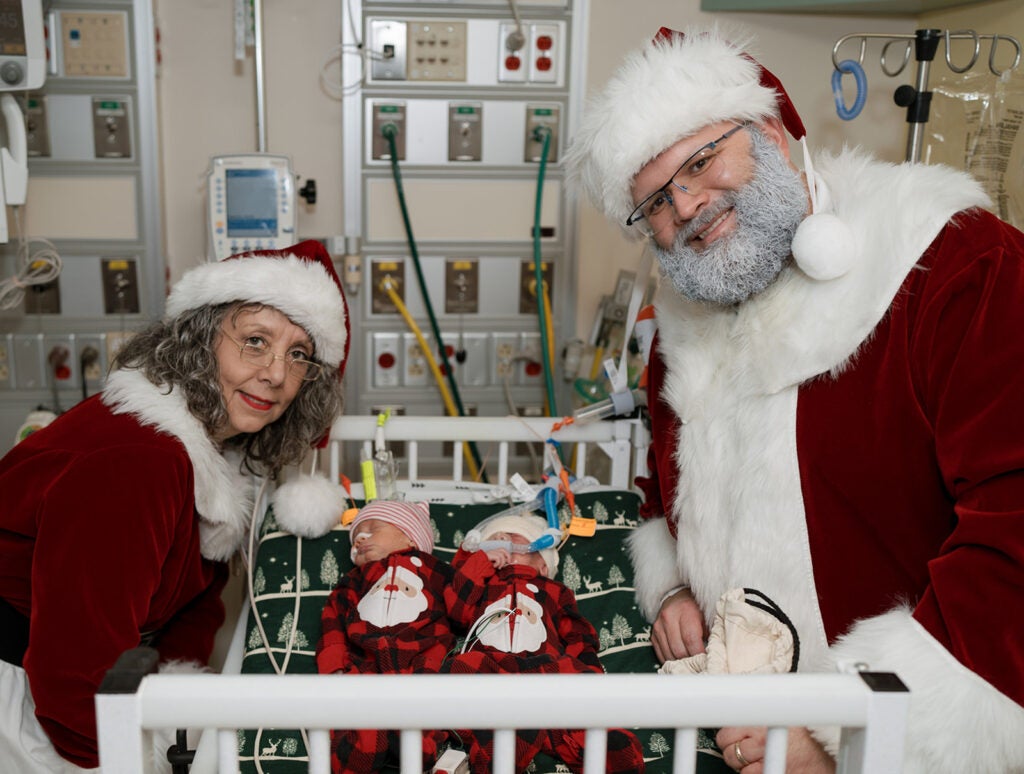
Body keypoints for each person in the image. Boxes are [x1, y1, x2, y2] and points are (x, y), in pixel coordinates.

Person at [565, 24, 1024, 774]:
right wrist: (675, 586)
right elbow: (663, 492)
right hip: (739, 720)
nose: (685, 206)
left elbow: (1014, 547)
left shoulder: (957, 271)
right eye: (653, 201)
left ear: (774, 135)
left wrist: (847, 730)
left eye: (703, 159)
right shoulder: (680, 328)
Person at [0, 240, 350, 772]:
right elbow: (72, 666)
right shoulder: (140, 459)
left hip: (83, 680)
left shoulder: (219, 450)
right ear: (200, 338)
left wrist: (179, 714)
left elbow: (194, 603)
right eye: (255, 341)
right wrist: (123, 757)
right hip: (30, 697)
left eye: (298, 354)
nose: (277, 374)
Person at [444, 513, 646, 773]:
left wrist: (588, 674)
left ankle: (590, 743)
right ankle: (516, 731)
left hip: (542, 671)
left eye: (516, 537)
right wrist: (480, 562)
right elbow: (456, 608)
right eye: (495, 539)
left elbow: (577, 634)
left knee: (581, 697)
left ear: (543, 565)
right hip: (491, 669)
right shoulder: (483, 584)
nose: (505, 540)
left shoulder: (554, 590)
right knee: (458, 668)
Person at [317, 499, 455, 773]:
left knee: (423, 717)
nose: (361, 538)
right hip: (366, 658)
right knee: (356, 726)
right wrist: (334, 668)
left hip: (422, 654)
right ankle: (356, 757)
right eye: (356, 538)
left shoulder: (435, 569)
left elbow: (464, 605)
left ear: (410, 538)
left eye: (374, 528)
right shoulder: (353, 581)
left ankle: (422, 750)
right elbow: (332, 625)